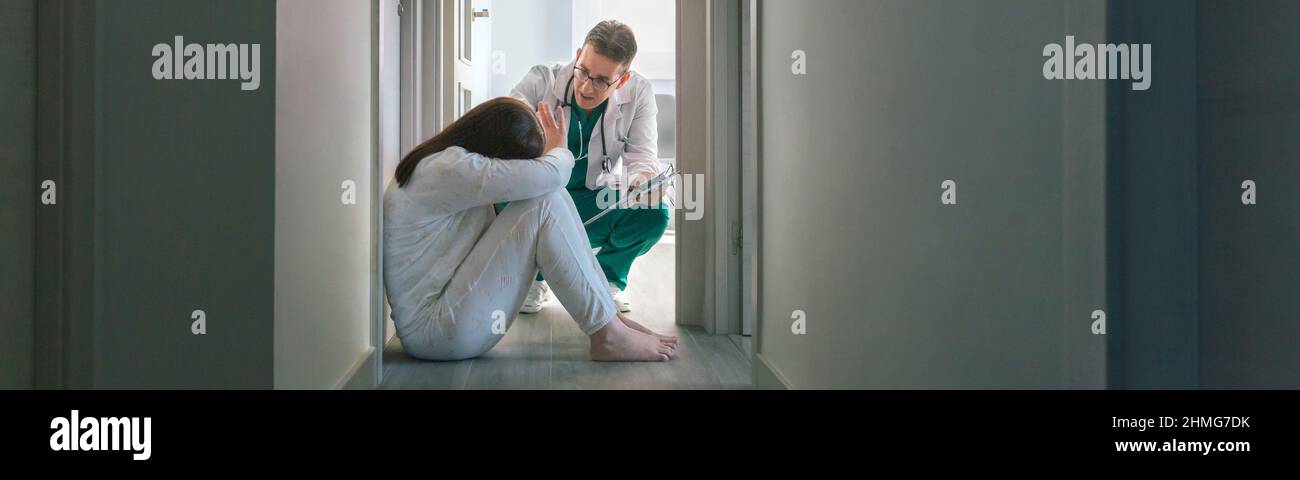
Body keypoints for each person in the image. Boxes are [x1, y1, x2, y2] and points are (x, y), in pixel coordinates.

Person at [382, 97, 677, 362]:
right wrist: (558, 146)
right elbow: (551, 175)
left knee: (551, 197)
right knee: (546, 199)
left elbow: (549, 180)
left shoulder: (444, 162)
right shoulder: (450, 168)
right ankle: (607, 334)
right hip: (436, 333)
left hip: (446, 323)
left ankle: (608, 321)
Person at [510, 20, 668, 314]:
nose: (586, 85)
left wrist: (645, 181)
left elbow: (643, 158)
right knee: (501, 195)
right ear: (579, 53)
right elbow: (501, 127)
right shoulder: (541, 80)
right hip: (536, 198)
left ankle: (606, 281)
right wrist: (536, 149)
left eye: (601, 80)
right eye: (583, 70)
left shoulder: (639, 93)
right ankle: (534, 276)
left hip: (589, 199)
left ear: (622, 79)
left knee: (654, 212)